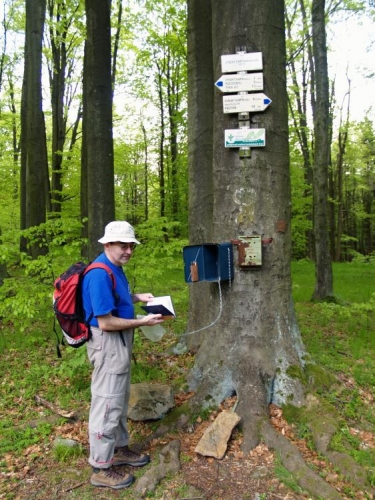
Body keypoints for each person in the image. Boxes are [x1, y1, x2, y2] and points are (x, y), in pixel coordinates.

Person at [81, 220, 164, 490]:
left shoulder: (114, 268)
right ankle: (100, 467)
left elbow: (118, 297)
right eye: (122, 245)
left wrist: (138, 298)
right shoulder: (99, 274)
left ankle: (119, 449)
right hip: (107, 342)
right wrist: (143, 321)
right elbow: (105, 322)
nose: (128, 250)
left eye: (131, 245)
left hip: (120, 341)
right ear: (107, 244)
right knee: (107, 402)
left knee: (119, 397)